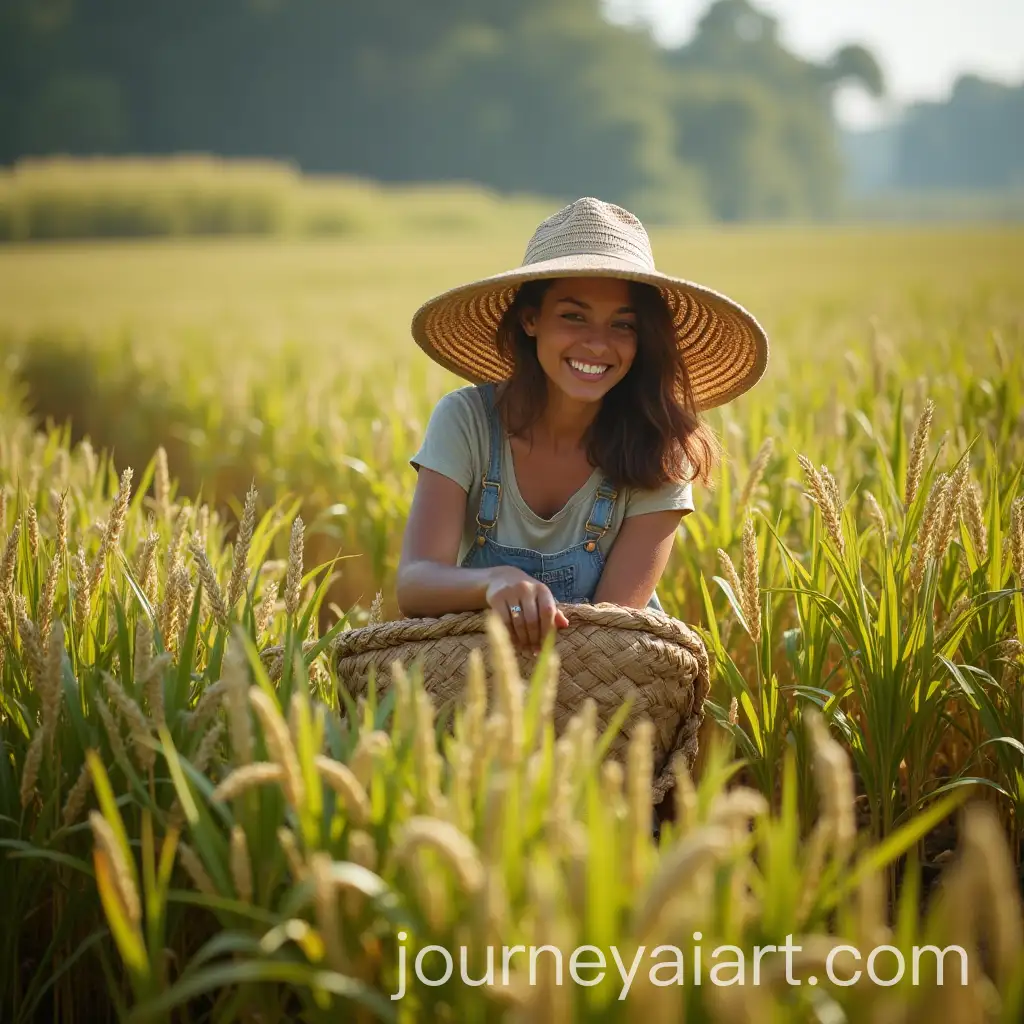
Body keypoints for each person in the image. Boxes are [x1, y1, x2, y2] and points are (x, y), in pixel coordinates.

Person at [396, 197, 768, 653]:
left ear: (643, 339)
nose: (597, 345)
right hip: (482, 669)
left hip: (609, 678)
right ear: (531, 320)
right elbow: (415, 583)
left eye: (623, 325)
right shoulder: (467, 421)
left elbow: (612, 630)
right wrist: (496, 582)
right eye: (573, 317)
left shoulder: (660, 448)